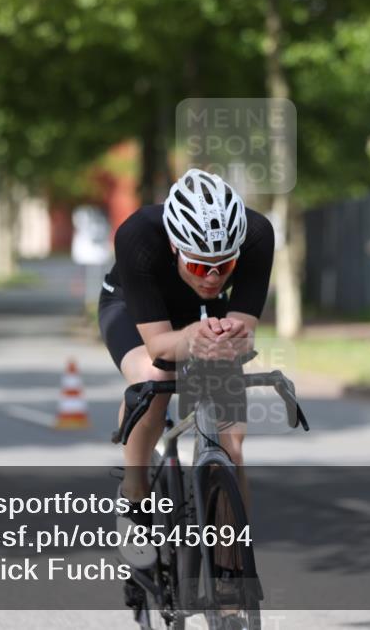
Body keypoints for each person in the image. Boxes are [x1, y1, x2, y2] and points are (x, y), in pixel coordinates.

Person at [98, 168, 274, 566]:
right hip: (134, 307)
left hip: (206, 317)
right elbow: (160, 345)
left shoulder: (258, 235)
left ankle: (232, 567)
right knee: (156, 378)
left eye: (224, 266)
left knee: (233, 444)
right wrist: (191, 337)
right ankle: (135, 495)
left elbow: (244, 333)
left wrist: (230, 335)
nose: (212, 277)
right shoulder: (138, 237)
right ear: (176, 247)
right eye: (199, 267)